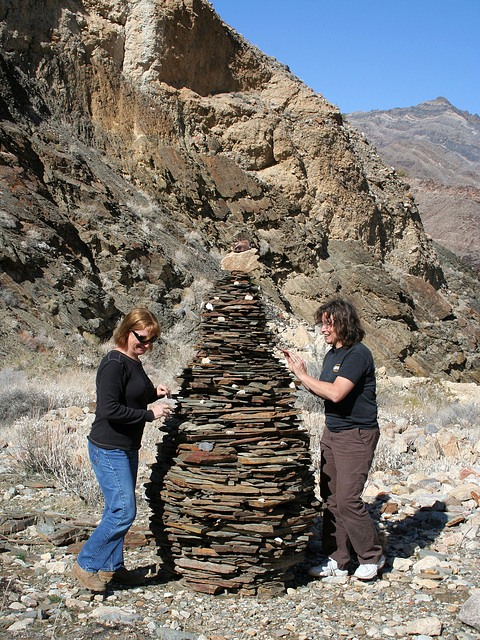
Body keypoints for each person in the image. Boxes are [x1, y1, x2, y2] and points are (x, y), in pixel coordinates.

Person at [283, 299, 384, 580]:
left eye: (329, 324)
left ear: (343, 323)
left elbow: (337, 393)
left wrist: (304, 376)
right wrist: (300, 375)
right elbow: (324, 391)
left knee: (348, 499)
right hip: (333, 431)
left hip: (356, 434)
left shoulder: (358, 354)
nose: (324, 330)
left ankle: (372, 556)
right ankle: (337, 560)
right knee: (331, 499)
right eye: (322, 324)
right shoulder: (332, 355)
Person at [72, 308, 172, 592]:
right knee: (123, 511)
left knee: (116, 509)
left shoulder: (133, 360)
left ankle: (111, 568)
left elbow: (133, 395)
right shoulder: (114, 363)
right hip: (108, 447)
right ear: (127, 331)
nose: (146, 346)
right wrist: (149, 414)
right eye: (141, 339)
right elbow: (109, 409)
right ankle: (87, 564)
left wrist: (155, 393)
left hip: (126, 447)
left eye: (152, 341)